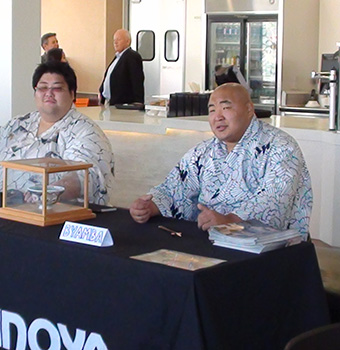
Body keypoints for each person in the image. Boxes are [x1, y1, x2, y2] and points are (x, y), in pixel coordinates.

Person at [129, 83, 312, 239]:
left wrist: (230, 221)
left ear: (249, 109)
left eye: (226, 108)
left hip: (266, 250)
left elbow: (274, 201)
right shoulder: (204, 151)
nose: (218, 116)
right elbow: (176, 187)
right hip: (210, 241)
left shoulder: (281, 147)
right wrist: (151, 206)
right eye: (212, 110)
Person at [0, 61, 115, 205]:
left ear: (72, 94)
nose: (48, 93)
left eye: (57, 88)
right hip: (2, 213)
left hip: (54, 220)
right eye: (42, 88)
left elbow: (84, 175)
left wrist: (47, 194)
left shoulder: (85, 131)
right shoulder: (17, 124)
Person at [99, 29, 144, 106]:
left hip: (122, 105)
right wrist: (101, 91)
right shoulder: (117, 57)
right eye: (114, 40)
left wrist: (138, 102)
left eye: (118, 40)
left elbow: (137, 80)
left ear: (127, 41)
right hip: (109, 102)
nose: (115, 43)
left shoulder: (132, 56)